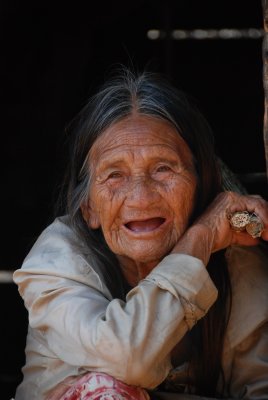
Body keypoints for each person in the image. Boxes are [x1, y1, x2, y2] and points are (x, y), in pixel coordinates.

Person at [13, 68, 268, 400]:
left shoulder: (235, 262)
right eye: (115, 175)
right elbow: (128, 358)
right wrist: (199, 237)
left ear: (199, 185)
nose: (141, 197)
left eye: (163, 168)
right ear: (88, 207)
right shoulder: (57, 260)